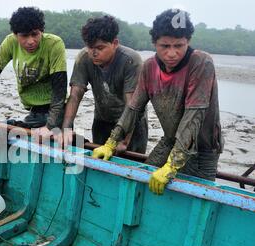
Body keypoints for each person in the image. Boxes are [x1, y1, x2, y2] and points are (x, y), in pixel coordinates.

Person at [93, 9, 224, 195]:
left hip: (203, 149)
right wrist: (111, 142)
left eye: (179, 45)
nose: (172, 53)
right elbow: (134, 108)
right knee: (143, 180)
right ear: (155, 43)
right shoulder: (149, 67)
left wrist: (172, 165)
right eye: (165, 46)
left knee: (193, 198)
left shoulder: (201, 63)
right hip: (170, 140)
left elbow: (193, 117)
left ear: (188, 41)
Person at [0, 7, 67, 137]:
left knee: (50, 145)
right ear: (15, 35)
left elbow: (60, 90)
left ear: (42, 31)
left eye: (35, 34)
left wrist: (49, 127)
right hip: (34, 113)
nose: (30, 41)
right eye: (24, 36)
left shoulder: (54, 44)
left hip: (57, 113)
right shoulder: (10, 43)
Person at [59, 15, 148, 154]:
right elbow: (75, 95)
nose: (94, 53)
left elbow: (132, 104)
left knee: (128, 162)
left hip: (133, 124)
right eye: (90, 47)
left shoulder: (131, 61)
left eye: (100, 48)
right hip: (103, 120)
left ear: (115, 43)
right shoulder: (84, 58)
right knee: (99, 159)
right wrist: (66, 130)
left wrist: (124, 141)